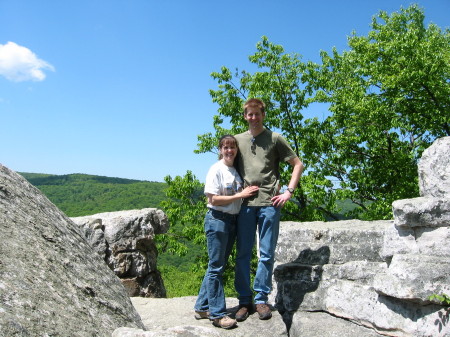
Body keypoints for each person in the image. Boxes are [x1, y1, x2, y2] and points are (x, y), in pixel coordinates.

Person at [233, 98, 304, 321]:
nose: (253, 118)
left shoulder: (274, 138)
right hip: (245, 205)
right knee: (243, 253)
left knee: (266, 254)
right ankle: (245, 300)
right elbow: (226, 167)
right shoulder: (237, 140)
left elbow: (298, 164)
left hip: (269, 204)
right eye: (249, 114)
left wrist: (288, 192)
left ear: (263, 114)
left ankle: (261, 298)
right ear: (245, 116)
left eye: (257, 114)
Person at [194, 135, 259, 329]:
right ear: (220, 150)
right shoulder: (216, 169)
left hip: (231, 221)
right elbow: (213, 199)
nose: (229, 150)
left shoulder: (234, 170)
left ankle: (201, 306)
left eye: (232, 147)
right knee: (216, 268)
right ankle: (217, 314)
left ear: (236, 150)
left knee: (217, 266)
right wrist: (241, 195)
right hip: (217, 220)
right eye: (225, 147)